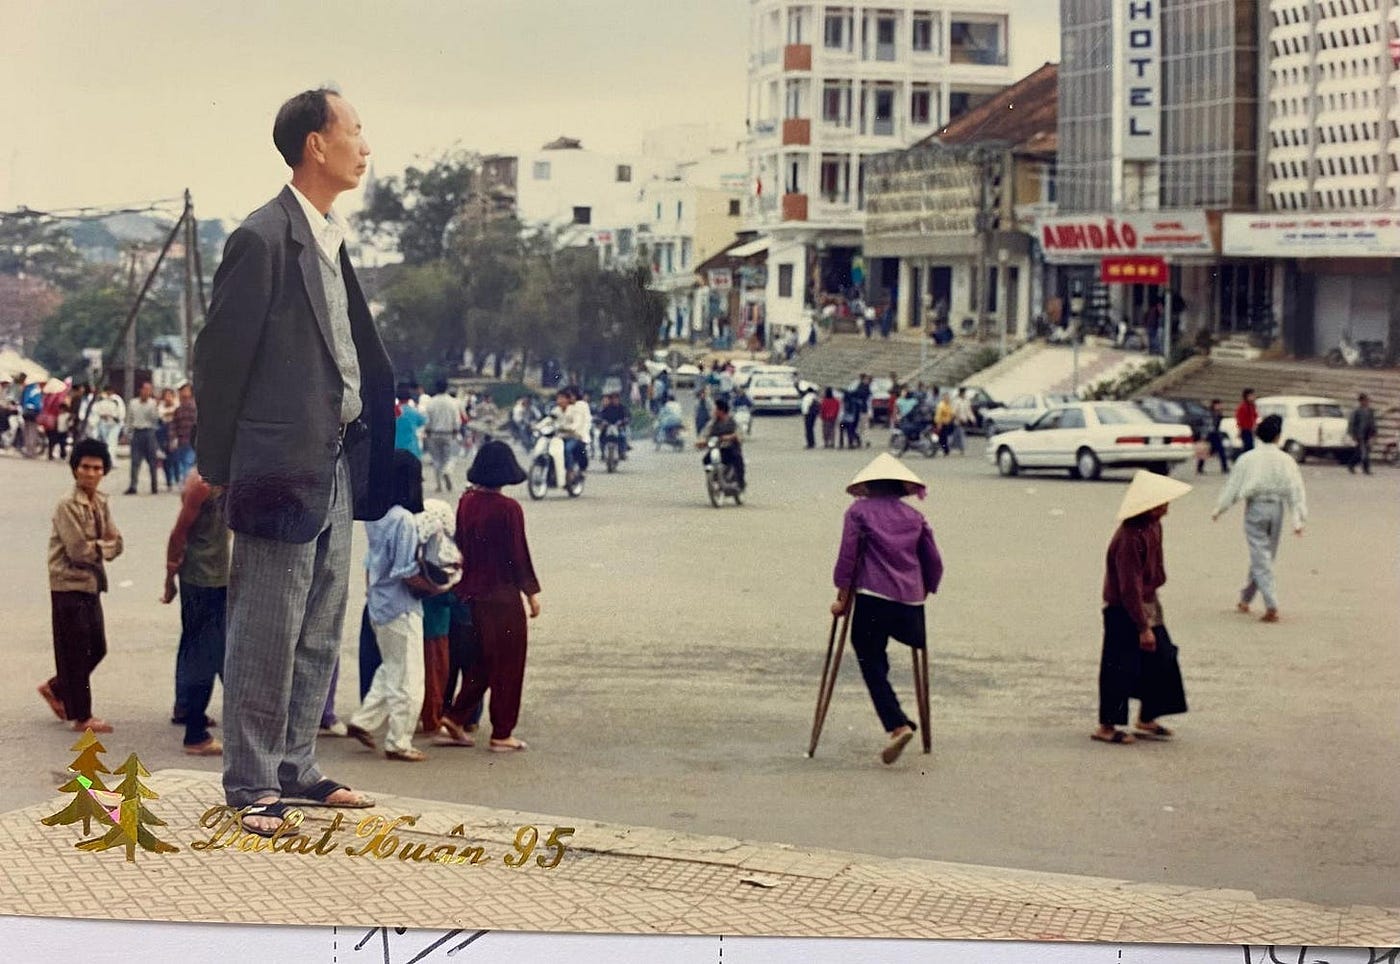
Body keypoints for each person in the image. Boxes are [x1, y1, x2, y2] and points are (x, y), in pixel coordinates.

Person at [193, 87, 393, 836]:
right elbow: (217, 362)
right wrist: (223, 468)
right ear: (317, 143)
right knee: (265, 627)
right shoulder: (262, 238)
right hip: (277, 464)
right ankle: (249, 783)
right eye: (356, 130)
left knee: (318, 626)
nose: (365, 145)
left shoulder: (329, 235)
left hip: (337, 458)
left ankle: (295, 767)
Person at [830, 454, 943, 764]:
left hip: (873, 598)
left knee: (867, 652)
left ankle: (896, 724)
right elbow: (932, 562)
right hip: (910, 604)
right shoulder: (914, 517)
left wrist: (842, 599)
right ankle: (900, 718)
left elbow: (849, 559)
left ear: (869, 487)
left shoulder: (858, 513)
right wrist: (924, 591)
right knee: (877, 656)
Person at [437, 441, 541, 752]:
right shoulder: (509, 509)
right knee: (509, 661)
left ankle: (455, 716)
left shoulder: (467, 501)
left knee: (484, 659)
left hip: (470, 592)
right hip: (502, 596)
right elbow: (517, 556)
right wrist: (531, 593)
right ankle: (502, 732)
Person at [1094, 470, 1192, 745]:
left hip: (1147, 601)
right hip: (1123, 607)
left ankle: (1147, 717)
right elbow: (1129, 587)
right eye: (1162, 503)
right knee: (1119, 665)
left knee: (1162, 658)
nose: (1167, 508)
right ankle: (1107, 726)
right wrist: (1142, 626)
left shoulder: (1153, 527)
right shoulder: (1129, 537)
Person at [345, 450, 428, 763]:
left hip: (379, 602)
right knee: (409, 676)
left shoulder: (377, 516)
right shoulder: (404, 520)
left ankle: (364, 720)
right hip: (401, 604)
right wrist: (437, 583)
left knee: (391, 668)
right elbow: (407, 572)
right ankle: (399, 741)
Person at [39, 439, 123, 734]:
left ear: (104, 471)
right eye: (85, 467)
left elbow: (118, 542)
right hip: (67, 583)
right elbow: (78, 551)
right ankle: (82, 716)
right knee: (76, 649)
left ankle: (57, 687)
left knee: (97, 647)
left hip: (91, 583)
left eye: (97, 468)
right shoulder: (67, 504)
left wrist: (102, 547)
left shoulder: (101, 501)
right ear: (75, 470)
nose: (90, 473)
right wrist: (105, 547)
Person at [161, 466, 230, 756]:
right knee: (209, 651)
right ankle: (195, 734)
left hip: (208, 576)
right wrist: (168, 580)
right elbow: (178, 533)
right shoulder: (203, 483)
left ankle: (187, 709)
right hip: (205, 579)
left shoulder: (217, 477)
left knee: (196, 645)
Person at [1211, 414, 1306, 624]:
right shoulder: (1286, 460)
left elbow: (1233, 487)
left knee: (1260, 555)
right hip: (1277, 508)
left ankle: (1271, 604)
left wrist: (1220, 508)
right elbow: (1295, 490)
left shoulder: (1248, 458)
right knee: (1264, 556)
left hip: (1255, 508)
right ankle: (1246, 598)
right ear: (1278, 436)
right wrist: (1298, 519)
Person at [695, 396, 746, 490]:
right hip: (718, 448)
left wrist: (731, 437)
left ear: (721, 411)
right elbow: (705, 432)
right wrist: (700, 441)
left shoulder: (733, 421)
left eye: (715, 409)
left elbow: (740, 434)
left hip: (731, 448)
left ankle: (740, 482)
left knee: (737, 458)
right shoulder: (713, 422)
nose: (714, 411)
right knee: (706, 459)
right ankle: (713, 478)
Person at [423, 380, 462, 491]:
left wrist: (427, 431)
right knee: (449, 457)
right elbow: (456, 419)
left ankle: (439, 485)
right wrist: (456, 430)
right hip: (449, 433)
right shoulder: (452, 402)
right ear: (446, 388)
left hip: (434, 433)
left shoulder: (431, 402)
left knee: (436, 459)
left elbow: (427, 419)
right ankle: (447, 471)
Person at [124, 382, 162, 495]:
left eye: (149, 390)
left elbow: (155, 419)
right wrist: (127, 434)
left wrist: (156, 407)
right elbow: (129, 419)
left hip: (149, 433)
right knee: (135, 461)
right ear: (140, 390)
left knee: (152, 461)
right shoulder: (133, 403)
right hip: (137, 433)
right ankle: (133, 486)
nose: (146, 392)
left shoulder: (152, 403)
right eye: (144, 389)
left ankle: (154, 486)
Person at [555, 387, 590, 478]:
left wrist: (567, 428)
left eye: (571, 395)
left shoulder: (580, 406)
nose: (570, 398)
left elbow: (580, 422)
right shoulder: (563, 407)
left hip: (578, 435)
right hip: (564, 434)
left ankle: (570, 471)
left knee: (568, 449)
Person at [170, 382, 198, 484]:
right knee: (182, 463)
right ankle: (186, 483)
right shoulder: (178, 409)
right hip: (181, 441)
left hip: (192, 441)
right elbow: (173, 425)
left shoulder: (196, 407)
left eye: (185, 390)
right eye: (181, 391)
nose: (183, 393)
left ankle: (186, 485)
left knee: (187, 463)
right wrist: (173, 438)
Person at [393, 383, 427, 459]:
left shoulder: (393, 412)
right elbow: (423, 421)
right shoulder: (413, 412)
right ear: (409, 398)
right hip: (411, 448)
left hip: (395, 447)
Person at [1347, 393, 1377, 475]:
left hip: (1368, 434)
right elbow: (1352, 424)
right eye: (1365, 400)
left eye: (1367, 400)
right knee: (1363, 452)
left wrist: (1374, 433)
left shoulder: (1370, 411)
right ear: (1361, 401)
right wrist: (1352, 435)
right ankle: (1365, 469)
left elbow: (1373, 423)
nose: (1367, 402)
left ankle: (1352, 465)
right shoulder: (1357, 411)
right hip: (1359, 435)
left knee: (1362, 452)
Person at [1199, 399, 1230, 475]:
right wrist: (1203, 436)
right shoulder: (1209, 414)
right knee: (1205, 451)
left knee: (1221, 451)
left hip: (1216, 434)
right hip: (1209, 434)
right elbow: (1205, 425)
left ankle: (1225, 467)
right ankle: (1200, 467)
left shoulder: (1218, 414)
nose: (1219, 406)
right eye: (1218, 405)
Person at [157, 387, 179, 490]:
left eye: (169, 395)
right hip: (163, 432)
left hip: (174, 431)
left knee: (175, 458)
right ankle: (169, 481)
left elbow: (176, 415)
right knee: (165, 459)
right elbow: (160, 416)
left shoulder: (177, 404)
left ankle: (178, 479)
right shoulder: (160, 405)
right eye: (166, 395)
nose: (168, 397)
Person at [1234, 388, 1258, 454]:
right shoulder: (1243, 407)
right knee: (1248, 447)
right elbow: (1239, 419)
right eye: (1251, 396)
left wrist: (1254, 425)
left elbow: (1255, 416)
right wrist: (1240, 430)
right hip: (1245, 429)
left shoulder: (1252, 406)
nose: (1253, 397)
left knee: (1250, 447)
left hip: (1250, 429)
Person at [951, 388, 974, 455]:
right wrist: (958, 418)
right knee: (961, 435)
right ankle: (962, 449)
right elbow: (954, 412)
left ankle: (953, 447)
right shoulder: (956, 401)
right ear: (960, 393)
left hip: (964, 420)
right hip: (958, 421)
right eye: (964, 393)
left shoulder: (967, 401)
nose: (964, 394)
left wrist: (972, 418)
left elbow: (969, 411)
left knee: (957, 435)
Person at [934, 391, 955, 455]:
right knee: (943, 438)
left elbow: (952, 413)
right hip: (941, 423)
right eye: (946, 397)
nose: (948, 398)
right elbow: (938, 415)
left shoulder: (948, 405)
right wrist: (939, 423)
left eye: (948, 397)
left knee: (944, 438)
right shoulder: (941, 405)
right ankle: (945, 450)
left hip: (947, 423)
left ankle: (945, 449)